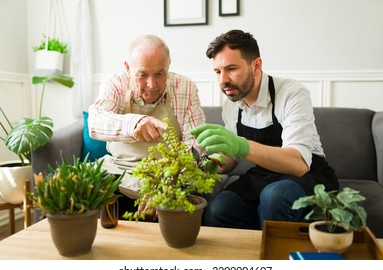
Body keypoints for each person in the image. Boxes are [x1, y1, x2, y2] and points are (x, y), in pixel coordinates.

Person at [191, 29, 339, 229]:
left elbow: (299, 164)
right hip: (264, 175)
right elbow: (231, 157)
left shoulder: (291, 94)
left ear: (256, 65)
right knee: (219, 208)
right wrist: (207, 164)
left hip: (307, 175)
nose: (223, 80)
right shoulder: (232, 103)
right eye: (218, 71)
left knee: (275, 196)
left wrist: (241, 145)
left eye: (231, 69)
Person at [88, 34, 207, 217]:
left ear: (168, 65)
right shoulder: (115, 84)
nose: (152, 85)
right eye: (142, 75)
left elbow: (196, 144)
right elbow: (95, 123)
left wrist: (165, 184)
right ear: (128, 68)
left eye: (160, 73)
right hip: (121, 173)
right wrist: (134, 124)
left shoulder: (186, 87)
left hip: (171, 176)